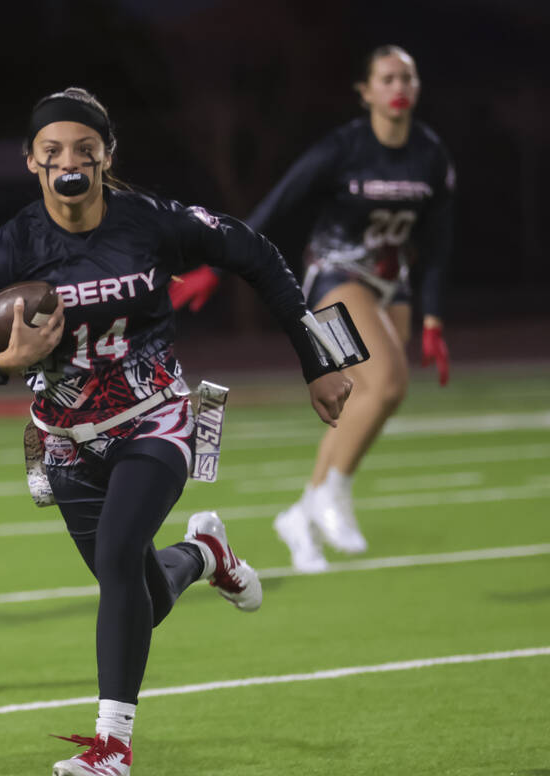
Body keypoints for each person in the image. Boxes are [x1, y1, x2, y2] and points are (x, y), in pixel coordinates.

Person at [0, 87, 352, 776]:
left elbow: (259, 255)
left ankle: (112, 750)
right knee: (141, 589)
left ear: (107, 156)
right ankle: (205, 554)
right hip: (65, 445)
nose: (68, 162)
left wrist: (322, 359)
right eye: (51, 151)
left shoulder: (150, 222)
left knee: (118, 559)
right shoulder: (12, 245)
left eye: (84, 149)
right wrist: (5, 362)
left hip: (157, 416)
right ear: (31, 161)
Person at [172, 45, 456, 573]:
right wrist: (217, 264)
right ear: (366, 91)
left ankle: (302, 513)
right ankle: (332, 494)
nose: (398, 86)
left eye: (407, 78)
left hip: (394, 287)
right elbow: (275, 205)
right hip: (335, 275)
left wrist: (433, 317)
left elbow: (438, 240)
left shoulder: (431, 153)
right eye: (387, 77)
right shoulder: (344, 147)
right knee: (388, 384)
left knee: (362, 400)